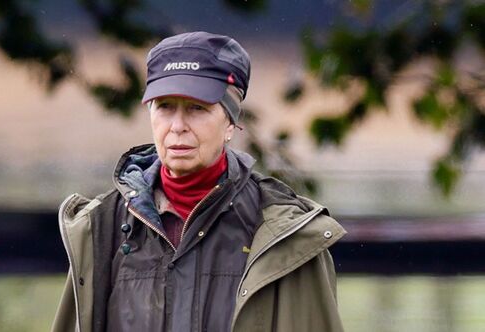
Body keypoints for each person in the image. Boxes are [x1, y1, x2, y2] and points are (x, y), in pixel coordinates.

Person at [51, 31, 346, 332]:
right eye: (165, 106)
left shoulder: (286, 237)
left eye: (197, 108)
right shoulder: (99, 228)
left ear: (230, 122)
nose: (178, 126)